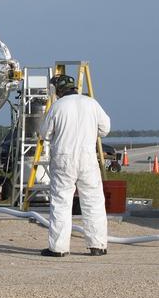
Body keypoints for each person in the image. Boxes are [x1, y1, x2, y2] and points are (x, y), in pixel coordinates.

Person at [39, 74, 111, 257]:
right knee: (93, 201)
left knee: (61, 202)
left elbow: (44, 133)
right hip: (87, 157)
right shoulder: (91, 103)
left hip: (64, 157)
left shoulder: (57, 107)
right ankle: (98, 245)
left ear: (58, 90)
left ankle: (58, 248)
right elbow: (105, 129)